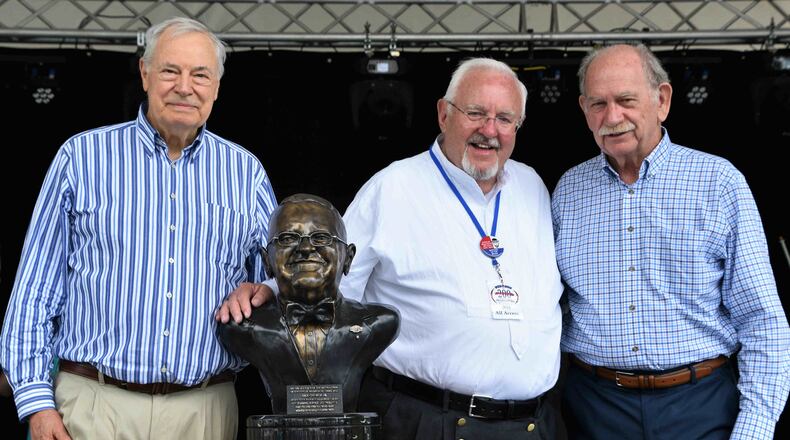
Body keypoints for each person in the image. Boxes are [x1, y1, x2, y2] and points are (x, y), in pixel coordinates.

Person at [218, 58, 564, 439]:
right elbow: (332, 272)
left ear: (519, 125)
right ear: (443, 113)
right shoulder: (392, 188)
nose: (489, 130)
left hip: (536, 424)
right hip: (430, 421)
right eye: (476, 113)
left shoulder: (532, 187)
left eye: (505, 118)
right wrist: (269, 288)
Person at [0, 16, 277, 440]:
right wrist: (37, 403)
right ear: (145, 74)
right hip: (92, 405)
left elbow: (284, 288)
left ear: (217, 87)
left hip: (204, 410)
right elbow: (35, 291)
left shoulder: (246, 173)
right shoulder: (83, 157)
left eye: (200, 74)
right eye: (171, 70)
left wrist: (261, 291)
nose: (185, 86)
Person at [552, 43, 790, 439]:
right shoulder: (568, 190)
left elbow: (762, 321)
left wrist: (754, 429)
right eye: (598, 104)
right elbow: (552, 308)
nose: (613, 117)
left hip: (700, 406)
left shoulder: (718, 182)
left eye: (626, 100)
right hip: (593, 409)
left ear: (661, 100)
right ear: (584, 110)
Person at [219, 194, 399, 414]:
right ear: (267, 261)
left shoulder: (380, 323)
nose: (305, 248)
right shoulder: (242, 327)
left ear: (348, 258)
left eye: (321, 237)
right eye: (287, 239)